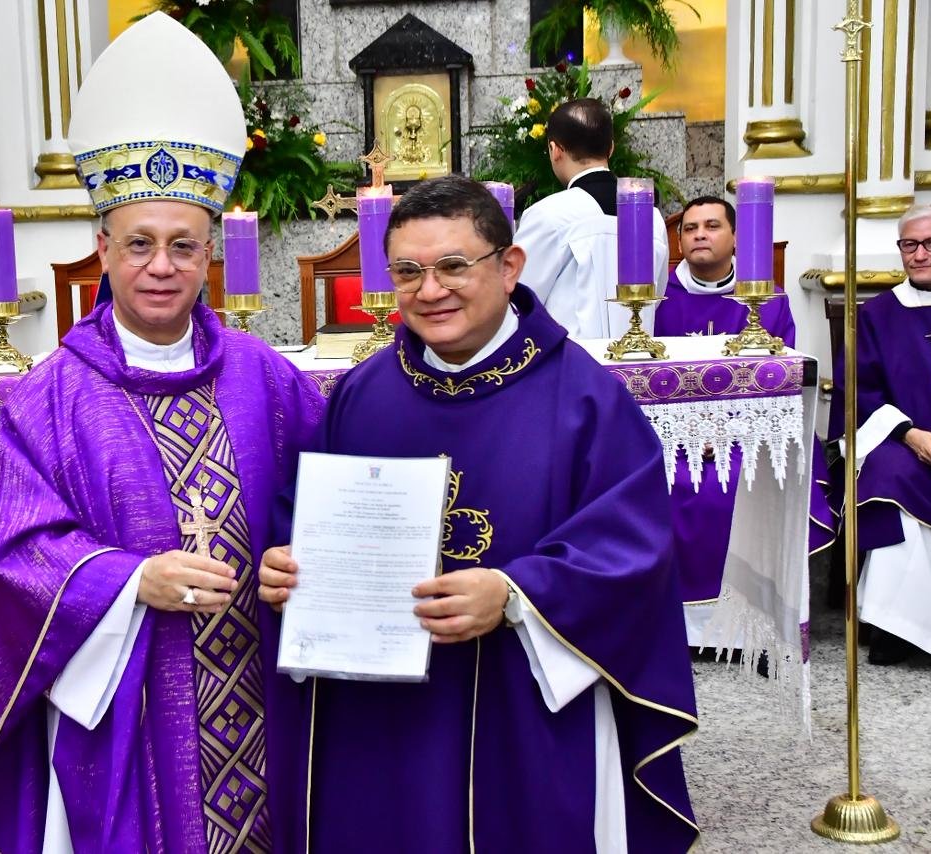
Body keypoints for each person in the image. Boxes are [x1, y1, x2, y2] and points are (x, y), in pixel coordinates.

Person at [0, 14, 325, 852]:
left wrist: (300, 556)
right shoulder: (49, 398)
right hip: (130, 703)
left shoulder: (266, 377)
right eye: (140, 244)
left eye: (183, 247)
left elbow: (325, 496)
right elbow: (12, 554)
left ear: (209, 253)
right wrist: (129, 580)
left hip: (263, 687)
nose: (161, 266)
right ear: (104, 249)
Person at [259, 176, 697, 852]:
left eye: (453, 266)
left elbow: (632, 549)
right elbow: (304, 512)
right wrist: (286, 563)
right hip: (377, 710)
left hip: (520, 707)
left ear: (509, 265)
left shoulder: (585, 400)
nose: (430, 290)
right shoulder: (361, 393)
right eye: (408, 271)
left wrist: (515, 593)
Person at [654, 196, 835, 644]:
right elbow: (646, 380)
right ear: (679, 241)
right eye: (690, 227)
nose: (699, 234)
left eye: (712, 225)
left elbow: (784, 378)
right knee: (669, 483)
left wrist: (730, 429)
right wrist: (689, 430)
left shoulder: (768, 299)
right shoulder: (656, 300)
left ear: (735, 237)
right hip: (676, 435)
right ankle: (677, 627)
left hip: (752, 432)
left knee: (749, 478)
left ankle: (759, 624)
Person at [838, 203, 931, 668]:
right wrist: (910, 434)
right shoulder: (877, 314)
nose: (918, 254)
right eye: (909, 244)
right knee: (886, 476)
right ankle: (897, 625)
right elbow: (857, 392)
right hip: (907, 446)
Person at [516, 97, 669, 338]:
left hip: (571, 358)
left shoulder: (549, 214)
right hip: (637, 353)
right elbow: (654, 294)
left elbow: (520, 299)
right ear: (611, 148)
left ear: (555, 150)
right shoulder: (651, 216)